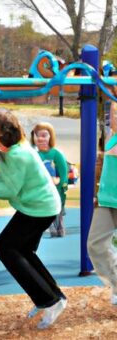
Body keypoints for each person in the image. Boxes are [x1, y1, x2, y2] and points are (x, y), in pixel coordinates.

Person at [0, 111, 67, 329]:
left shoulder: (18, 154)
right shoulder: (9, 150)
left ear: (3, 132)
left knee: (5, 248)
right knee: (23, 251)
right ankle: (53, 296)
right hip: (35, 206)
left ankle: (50, 301)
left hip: (40, 208)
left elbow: (7, 188)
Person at [87, 100, 117, 306]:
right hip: (107, 198)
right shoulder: (110, 135)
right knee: (95, 244)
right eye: (112, 114)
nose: (112, 118)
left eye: (115, 114)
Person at [31, 122, 69, 237]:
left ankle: (59, 224)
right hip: (41, 190)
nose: (41, 138)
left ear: (50, 137)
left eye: (44, 135)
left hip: (56, 189)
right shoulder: (34, 155)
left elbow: (63, 173)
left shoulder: (56, 154)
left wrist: (61, 185)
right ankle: (49, 225)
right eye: (38, 135)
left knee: (57, 211)